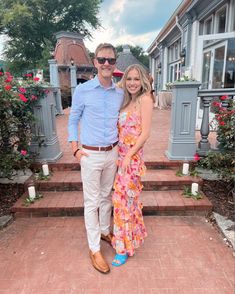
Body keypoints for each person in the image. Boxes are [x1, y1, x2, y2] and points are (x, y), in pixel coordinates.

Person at [68, 43, 123, 274]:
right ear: (95, 62)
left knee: (106, 197)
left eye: (110, 60)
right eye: (102, 60)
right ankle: (94, 248)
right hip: (89, 154)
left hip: (112, 152)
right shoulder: (83, 90)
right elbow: (73, 120)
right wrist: (75, 149)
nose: (106, 64)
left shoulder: (120, 93)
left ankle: (103, 230)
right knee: (91, 202)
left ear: (115, 63)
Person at [111, 64, 155, 266]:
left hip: (132, 160)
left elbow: (145, 134)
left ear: (143, 81)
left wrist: (129, 155)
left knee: (122, 203)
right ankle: (130, 240)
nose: (132, 83)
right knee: (126, 203)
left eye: (137, 79)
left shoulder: (145, 100)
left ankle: (123, 248)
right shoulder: (125, 101)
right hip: (119, 158)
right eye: (129, 79)